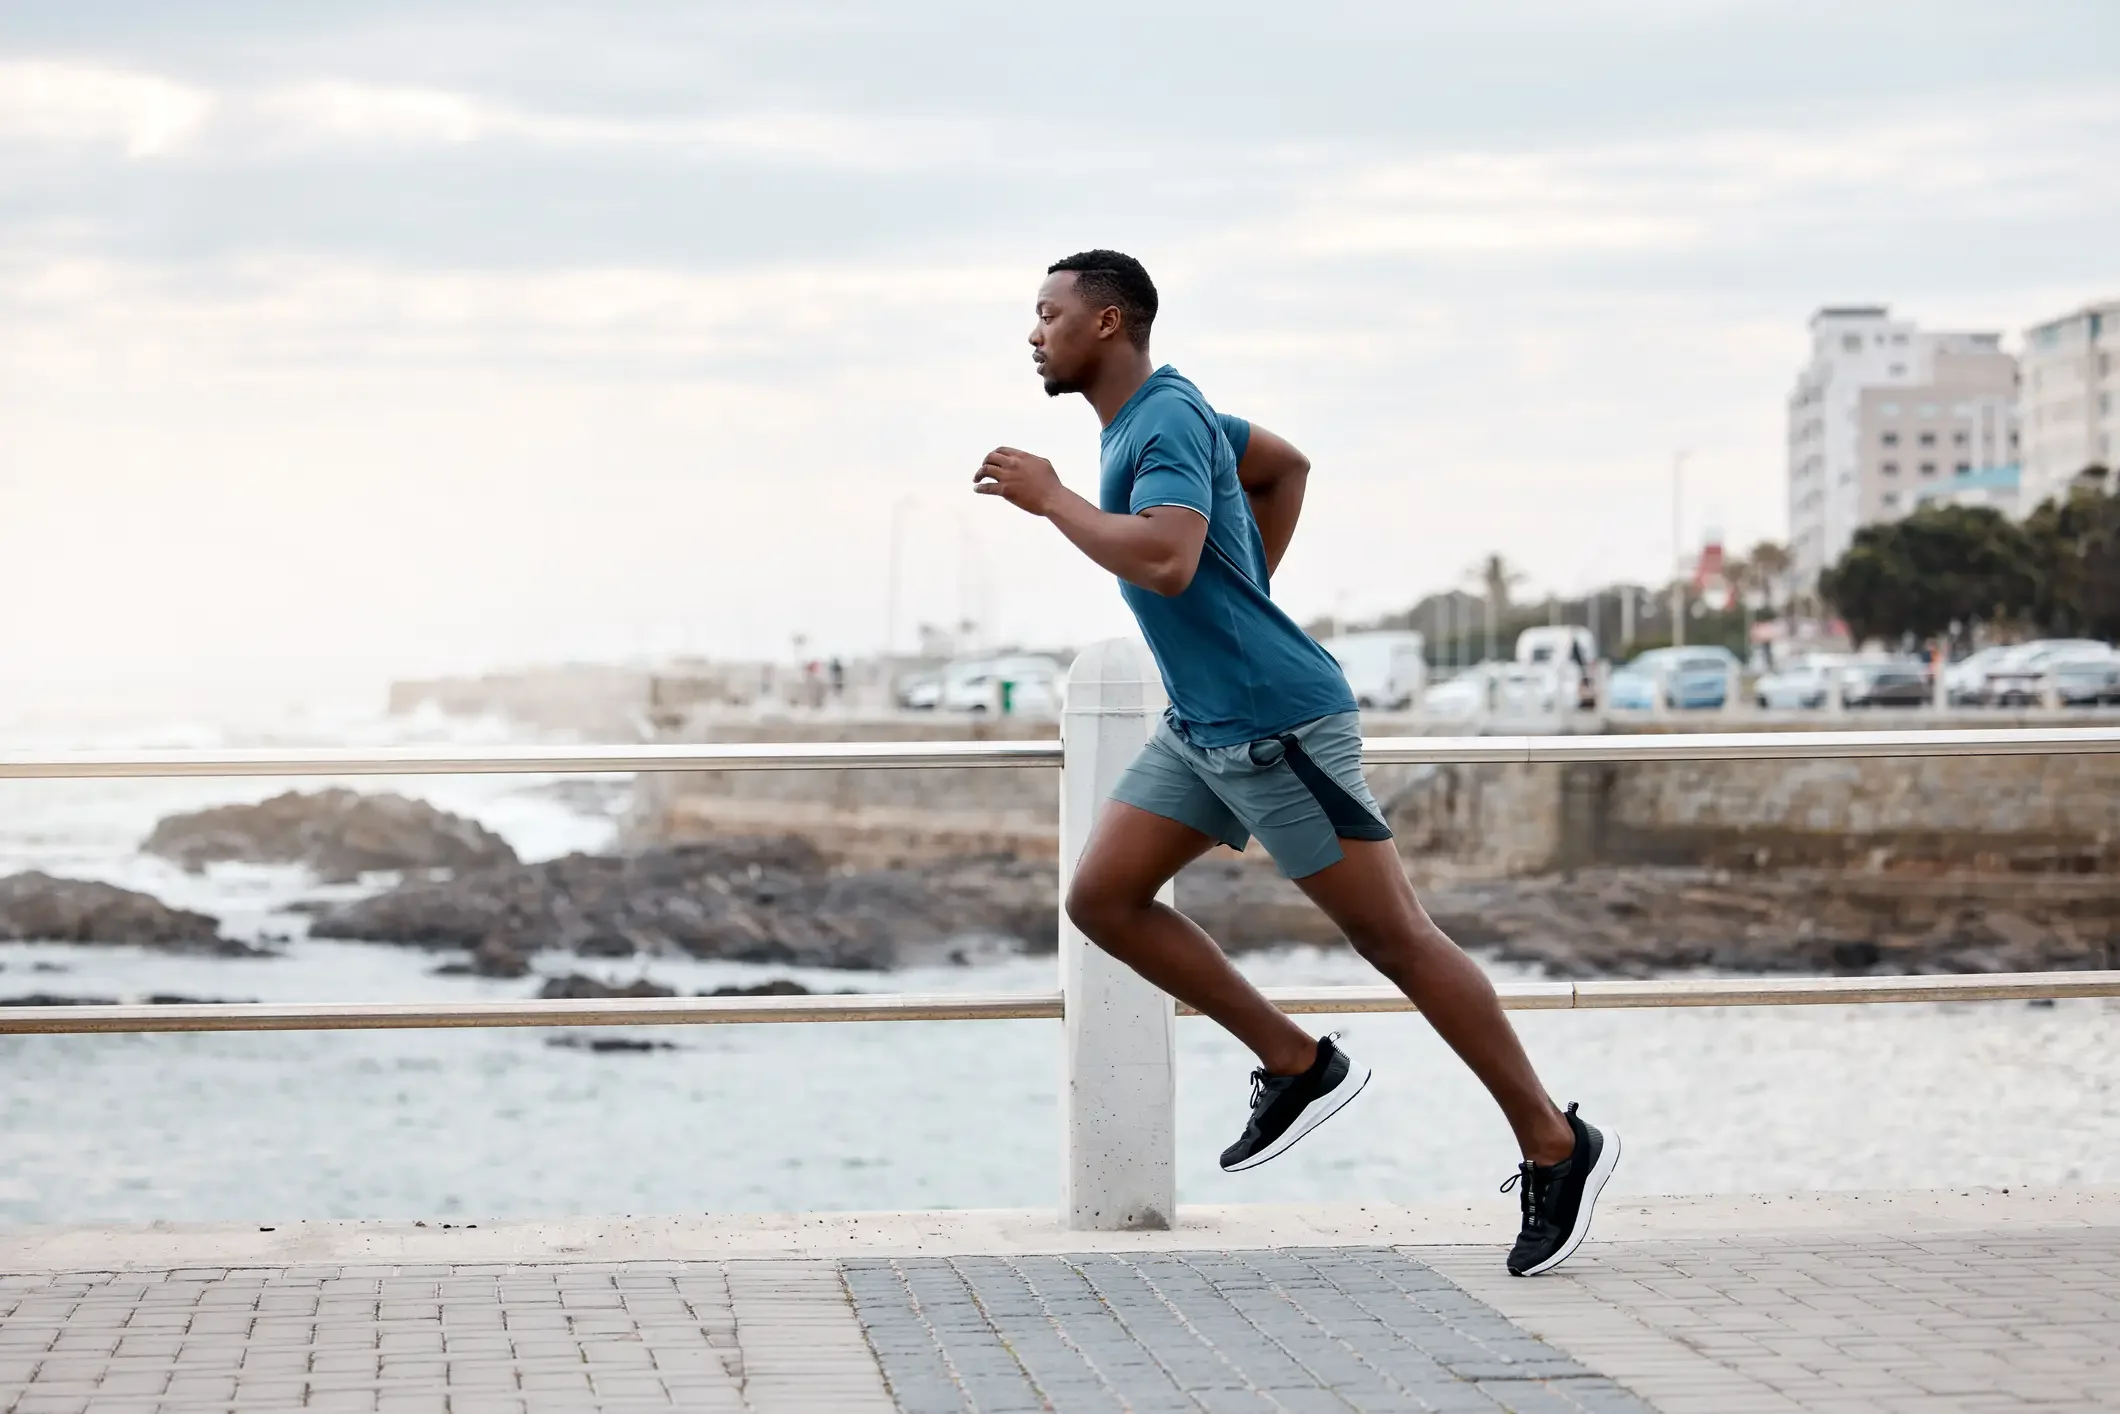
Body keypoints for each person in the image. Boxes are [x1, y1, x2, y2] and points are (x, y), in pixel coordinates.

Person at [974, 250, 1619, 1276]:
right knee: (1101, 898)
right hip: (1201, 724)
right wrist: (1245, 596)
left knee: (1398, 940)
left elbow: (1166, 556)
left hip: (1275, 726)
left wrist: (1052, 499)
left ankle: (1552, 1138)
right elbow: (1283, 468)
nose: (1031, 332)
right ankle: (1293, 1059)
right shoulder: (1167, 414)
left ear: (1104, 323)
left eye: (1046, 314)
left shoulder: (1164, 419)